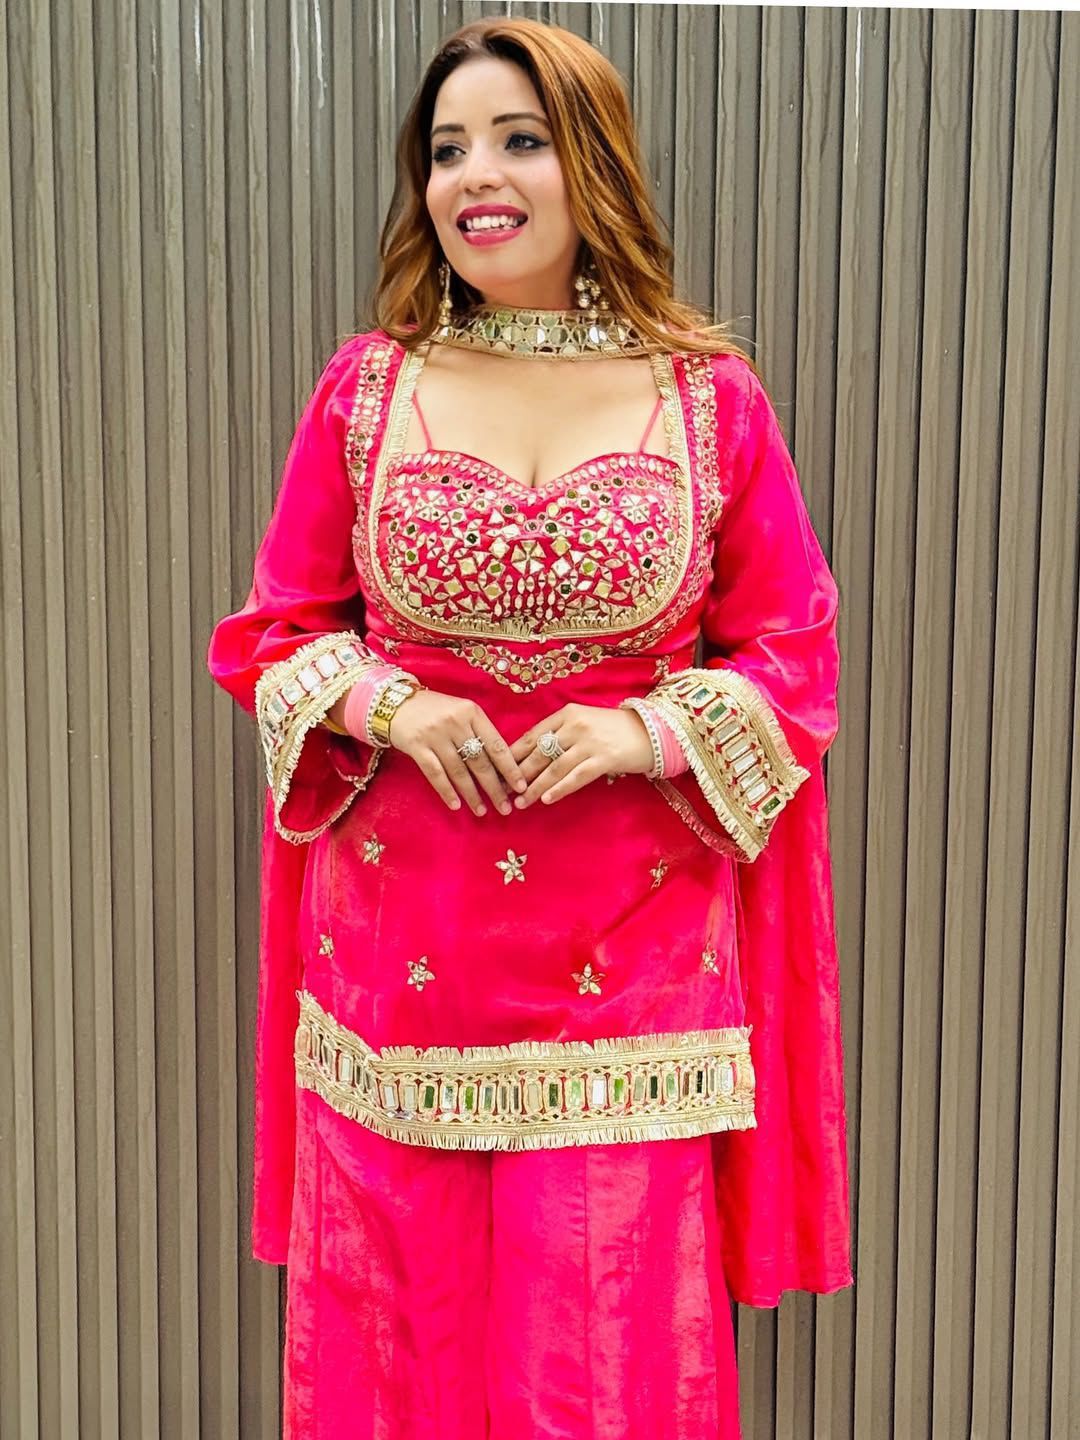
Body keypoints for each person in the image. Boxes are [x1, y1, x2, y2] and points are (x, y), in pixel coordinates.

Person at [208, 16, 852, 1439]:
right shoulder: (369, 389)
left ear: (593, 165)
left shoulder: (709, 402)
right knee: (401, 1352)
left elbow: (795, 653)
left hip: (632, 974)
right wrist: (388, 701)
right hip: (401, 974)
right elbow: (271, 633)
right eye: (446, 149)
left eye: (518, 139)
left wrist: (647, 734)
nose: (474, 176)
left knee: (603, 1363)